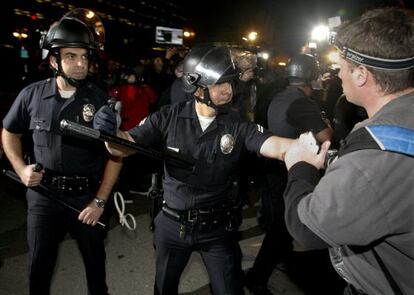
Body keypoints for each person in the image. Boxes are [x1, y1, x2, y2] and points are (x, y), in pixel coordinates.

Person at [93, 44, 295, 295]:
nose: (228, 90)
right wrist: (109, 133)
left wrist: (301, 148)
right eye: (220, 83)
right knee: (164, 288)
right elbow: (120, 149)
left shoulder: (237, 124)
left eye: (230, 83)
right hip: (172, 225)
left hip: (218, 229)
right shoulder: (167, 117)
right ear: (197, 85)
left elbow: (273, 144)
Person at [283, 7, 414, 295]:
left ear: (361, 74)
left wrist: (300, 166)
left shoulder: (372, 158)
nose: (338, 74)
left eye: (341, 66)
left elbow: (308, 227)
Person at [1, 9, 122, 295]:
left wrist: (101, 201)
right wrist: (20, 168)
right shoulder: (31, 95)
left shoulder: (100, 100)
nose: (81, 64)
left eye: (85, 56)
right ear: (54, 59)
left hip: (87, 198)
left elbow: (116, 155)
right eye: (71, 56)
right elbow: (9, 132)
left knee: (96, 269)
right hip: (43, 197)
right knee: (39, 269)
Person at [246, 53, 338, 295]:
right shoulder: (302, 102)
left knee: (283, 223)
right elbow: (326, 136)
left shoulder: (281, 95)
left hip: (275, 166)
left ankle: (281, 264)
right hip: (290, 168)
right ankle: (257, 277)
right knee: (285, 225)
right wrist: (326, 122)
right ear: (311, 76)